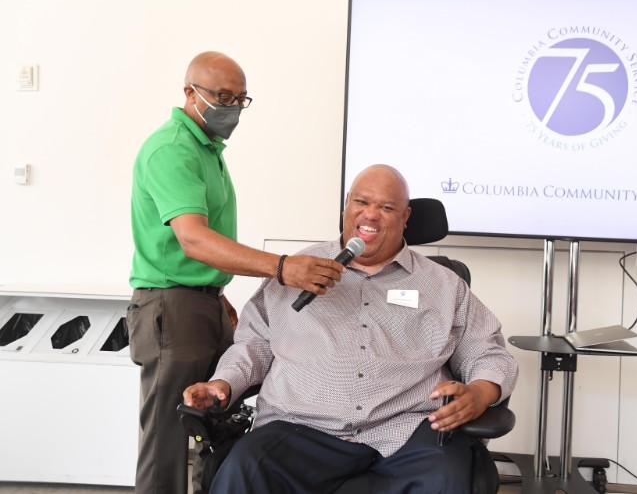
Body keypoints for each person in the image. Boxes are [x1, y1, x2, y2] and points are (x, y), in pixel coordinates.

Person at [183, 164, 519, 493]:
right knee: (245, 469)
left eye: (386, 207)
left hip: (408, 429)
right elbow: (253, 345)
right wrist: (223, 382)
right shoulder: (294, 270)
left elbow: (487, 351)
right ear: (347, 205)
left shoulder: (444, 285)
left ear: (405, 218)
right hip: (302, 426)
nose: (370, 215)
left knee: (446, 480)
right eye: (361, 202)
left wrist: (480, 392)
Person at [128, 51, 345, 494]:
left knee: (218, 419)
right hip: (172, 307)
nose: (232, 108)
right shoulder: (173, 150)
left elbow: (199, 252)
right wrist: (282, 269)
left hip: (199, 300)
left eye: (241, 100)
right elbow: (193, 239)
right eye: (222, 96)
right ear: (189, 93)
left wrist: (215, 292)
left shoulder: (206, 148)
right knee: (169, 438)